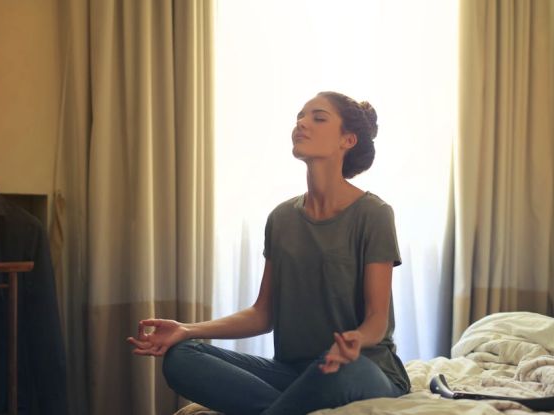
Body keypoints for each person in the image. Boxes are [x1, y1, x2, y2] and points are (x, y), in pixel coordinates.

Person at [127, 91, 410, 415]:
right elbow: (263, 314)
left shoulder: (373, 214)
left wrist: (356, 340)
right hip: (293, 374)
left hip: (361, 369)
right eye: (300, 117)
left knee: (345, 370)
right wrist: (187, 329)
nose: (302, 123)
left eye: (318, 117)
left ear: (347, 139)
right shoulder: (281, 218)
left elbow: (377, 319)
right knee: (181, 357)